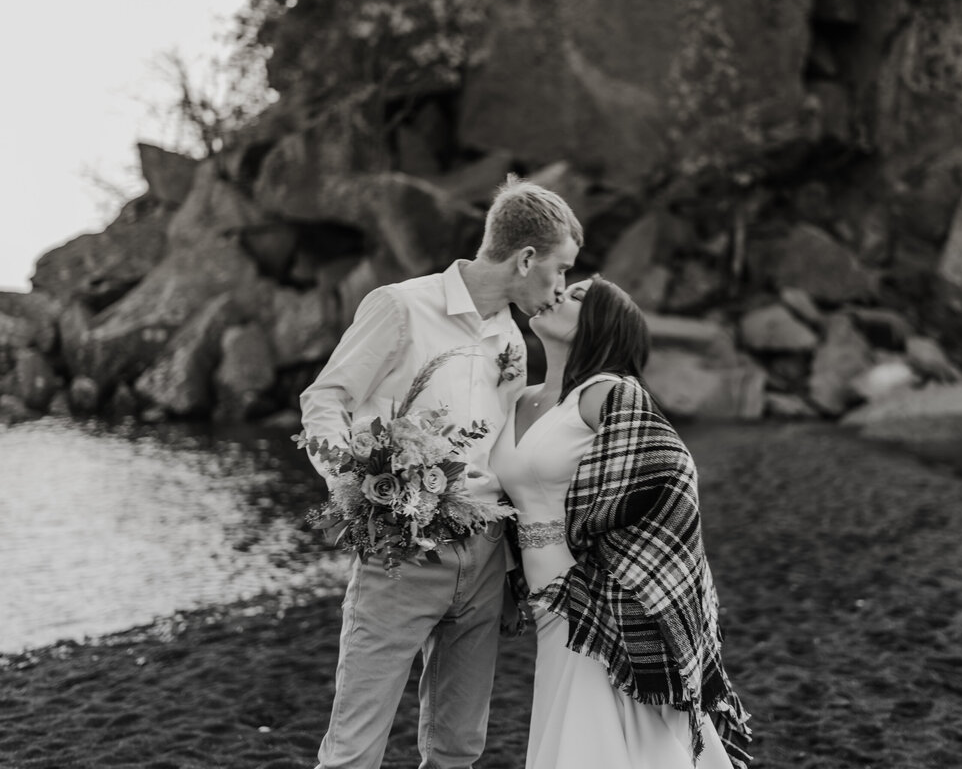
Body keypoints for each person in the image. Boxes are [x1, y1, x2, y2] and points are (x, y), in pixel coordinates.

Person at [299, 175, 582, 769]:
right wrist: (357, 493)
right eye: (558, 270)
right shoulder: (401, 306)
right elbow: (324, 401)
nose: (560, 289)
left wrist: (510, 572)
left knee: (458, 749)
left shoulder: (510, 336)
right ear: (526, 258)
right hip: (400, 561)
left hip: (483, 561)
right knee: (354, 748)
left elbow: (501, 455)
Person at [492, 276, 753, 769]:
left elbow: (673, 474)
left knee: (595, 734)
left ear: (599, 326)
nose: (556, 294)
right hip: (542, 594)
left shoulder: (604, 392)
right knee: (582, 725)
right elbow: (502, 497)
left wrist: (593, 536)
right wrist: (508, 581)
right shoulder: (518, 398)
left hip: (595, 590)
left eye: (575, 297)